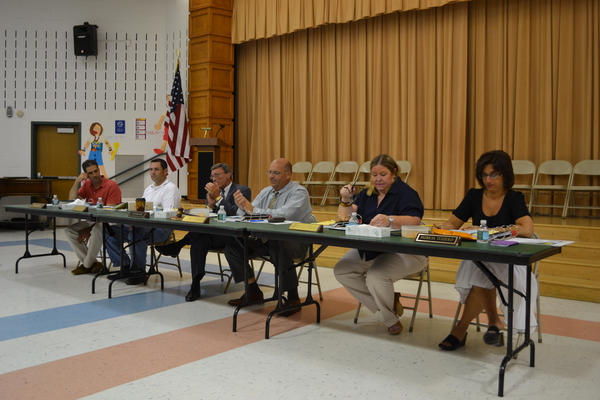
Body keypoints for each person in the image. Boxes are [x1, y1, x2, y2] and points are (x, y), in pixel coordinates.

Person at [437, 150, 535, 351]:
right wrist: (443, 227)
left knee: (478, 269)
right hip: (480, 259)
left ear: (505, 174)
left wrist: (490, 231)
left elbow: (527, 229)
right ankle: (493, 321)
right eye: (484, 175)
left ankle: (461, 329)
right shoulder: (474, 195)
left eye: (493, 174)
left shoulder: (514, 197)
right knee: (479, 266)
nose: (488, 180)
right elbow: (453, 222)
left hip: (510, 261)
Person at [334, 154, 428, 335]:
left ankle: (389, 318)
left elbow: (415, 220)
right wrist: (345, 199)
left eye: (383, 174)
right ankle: (388, 303)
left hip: (406, 251)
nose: (378, 179)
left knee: (376, 276)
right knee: (342, 270)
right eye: (374, 175)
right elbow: (345, 217)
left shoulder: (406, 193)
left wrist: (390, 219)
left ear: (394, 173)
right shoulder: (367, 193)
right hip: (374, 249)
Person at [223, 158, 314, 315]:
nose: (271, 176)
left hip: (296, 240)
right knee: (233, 247)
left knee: (279, 245)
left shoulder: (299, 192)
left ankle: (293, 297)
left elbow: (285, 216)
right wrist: (242, 206)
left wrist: (251, 209)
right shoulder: (266, 192)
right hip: (268, 238)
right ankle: (253, 292)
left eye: (276, 173)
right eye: (270, 172)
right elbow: (249, 212)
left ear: (288, 174)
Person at [156, 163, 251, 301]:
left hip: (232, 236)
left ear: (228, 175)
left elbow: (236, 214)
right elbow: (210, 215)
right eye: (212, 176)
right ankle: (195, 284)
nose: (214, 179)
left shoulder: (241, 190)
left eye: (217, 175)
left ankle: (177, 246)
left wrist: (218, 198)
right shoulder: (214, 191)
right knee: (200, 238)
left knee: (199, 235)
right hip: (212, 234)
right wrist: (210, 206)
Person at [104, 158, 181, 285]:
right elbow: (141, 210)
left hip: (161, 229)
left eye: (156, 169)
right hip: (142, 225)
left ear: (166, 171)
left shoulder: (170, 189)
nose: (153, 172)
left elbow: (167, 215)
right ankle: (126, 267)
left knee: (136, 234)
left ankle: (139, 272)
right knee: (108, 231)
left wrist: (139, 223)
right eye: (151, 169)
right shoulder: (149, 189)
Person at [66, 159, 122, 275]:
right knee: (68, 231)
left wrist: (88, 230)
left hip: (109, 221)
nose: (95, 175)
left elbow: (108, 214)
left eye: (96, 171)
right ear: (86, 175)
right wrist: (77, 182)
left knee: (97, 229)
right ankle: (93, 263)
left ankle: (86, 265)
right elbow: (72, 199)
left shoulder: (111, 185)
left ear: (99, 169)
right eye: (90, 173)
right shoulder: (87, 185)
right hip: (92, 220)